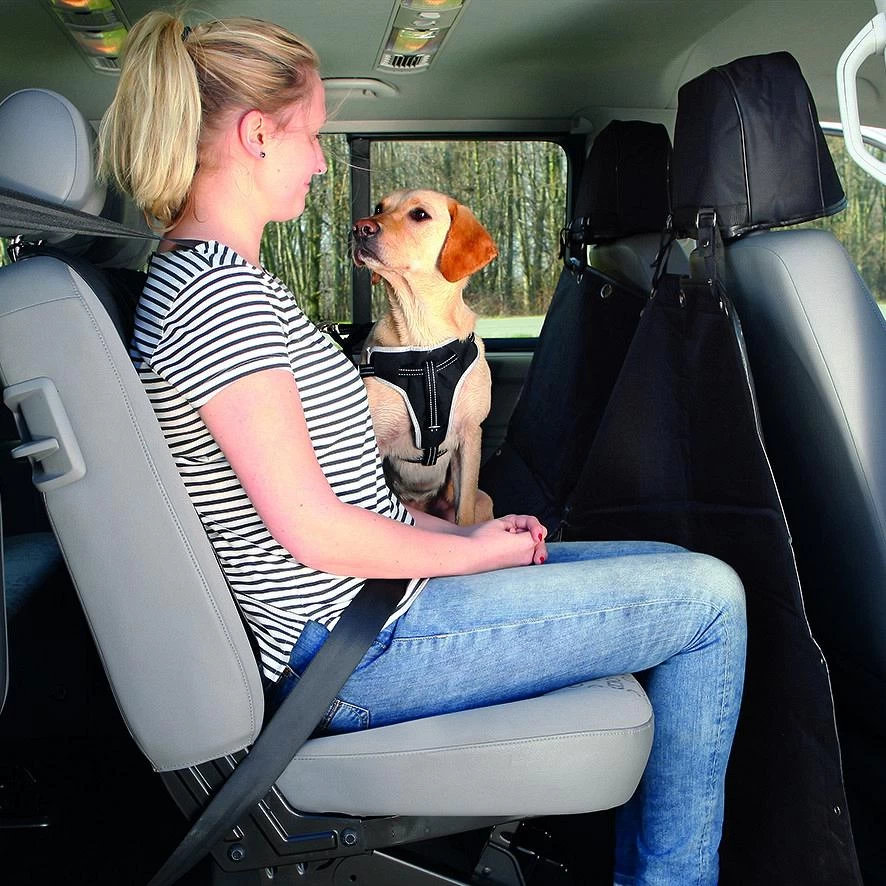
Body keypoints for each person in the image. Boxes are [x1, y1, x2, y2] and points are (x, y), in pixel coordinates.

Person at [97, 11, 747, 885]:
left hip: (370, 612)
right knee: (709, 600)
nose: (321, 162)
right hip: (356, 650)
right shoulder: (218, 299)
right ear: (257, 136)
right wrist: (472, 552)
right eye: (313, 136)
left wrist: (464, 536)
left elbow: (347, 498)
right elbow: (312, 528)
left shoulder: (226, 286)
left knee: (670, 565)